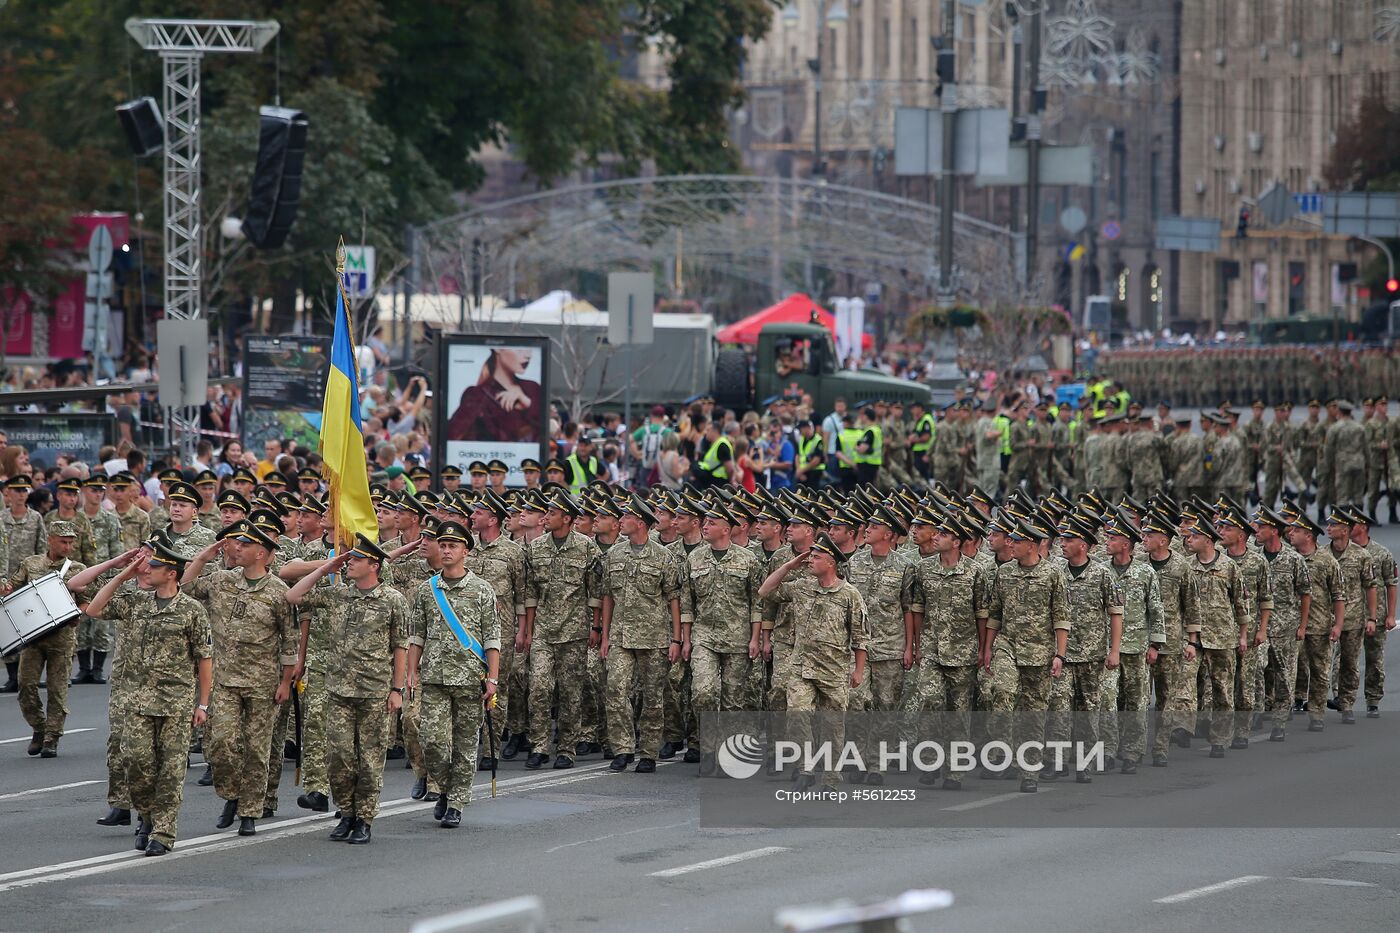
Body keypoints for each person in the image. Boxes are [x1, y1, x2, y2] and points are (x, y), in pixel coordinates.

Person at [83, 541, 212, 856]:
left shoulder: (192, 610)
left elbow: (205, 658)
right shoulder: (136, 603)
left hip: (176, 704)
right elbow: (95, 608)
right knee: (137, 764)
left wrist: (203, 704)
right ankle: (146, 815)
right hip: (139, 702)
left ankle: (163, 833)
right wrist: (124, 572)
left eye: (155, 567)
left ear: (171, 573)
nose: (148, 570)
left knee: (170, 771)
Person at [285, 533, 410, 844]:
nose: (349, 563)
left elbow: (399, 648)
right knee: (340, 757)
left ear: (374, 565)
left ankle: (364, 818)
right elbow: (294, 596)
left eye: (356, 559)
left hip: (375, 691)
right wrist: (328, 566)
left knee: (369, 760)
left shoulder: (393, 600)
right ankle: (346, 812)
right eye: (349, 558)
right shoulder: (339, 594)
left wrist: (397, 689)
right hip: (338, 690)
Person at [182, 522, 297, 836]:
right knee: (221, 744)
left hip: (263, 683)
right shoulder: (221, 580)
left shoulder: (278, 592)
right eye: (237, 544)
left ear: (260, 553)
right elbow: (186, 586)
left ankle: (249, 812)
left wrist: (286, 682)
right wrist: (203, 557)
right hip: (224, 680)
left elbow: (290, 640)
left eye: (244, 545)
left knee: (257, 750)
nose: (237, 549)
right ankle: (232, 794)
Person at [407, 521, 500, 828]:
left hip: (470, 677)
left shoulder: (483, 590)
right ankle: (444, 787)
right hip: (433, 676)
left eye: (453, 546)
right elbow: (417, 635)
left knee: (464, 745)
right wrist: (411, 673)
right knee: (432, 741)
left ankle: (456, 801)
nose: (446, 551)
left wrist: (493, 679)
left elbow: (492, 639)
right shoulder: (426, 590)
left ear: (466, 552)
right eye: (443, 545)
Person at [983, 519, 1068, 793]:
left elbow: (1061, 618)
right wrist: (987, 649)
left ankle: (1029, 771)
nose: (1011, 545)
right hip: (1007, 646)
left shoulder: (1053, 575)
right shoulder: (1004, 573)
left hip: (1040, 653)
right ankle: (1002, 751)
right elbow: (994, 615)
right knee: (1002, 691)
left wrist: (1060, 655)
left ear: (1031, 545)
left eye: (1016, 542)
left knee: (1033, 714)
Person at [599, 494, 683, 773]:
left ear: (641, 523)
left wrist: (676, 639)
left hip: (655, 637)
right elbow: (608, 596)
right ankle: (622, 748)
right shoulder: (615, 554)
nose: (621, 521)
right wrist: (605, 635)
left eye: (626, 518)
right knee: (616, 689)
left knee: (652, 696)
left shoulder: (663, 556)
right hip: (621, 635)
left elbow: (673, 598)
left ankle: (648, 751)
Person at [522, 489, 602, 769]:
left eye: (552, 514)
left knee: (571, 692)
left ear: (567, 518)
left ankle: (567, 748)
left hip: (575, 631)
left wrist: (595, 627)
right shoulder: (537, 548)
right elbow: (530, 591)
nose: (546, 518)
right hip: (544, 630)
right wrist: (529, 630)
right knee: (539, 687)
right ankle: (540, 745)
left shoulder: (586, 547)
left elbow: (595, 590)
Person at [11, 522, 87, 757]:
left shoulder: (76, 569)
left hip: (62, 638)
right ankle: (38, 727)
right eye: (63, 541)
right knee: (26, 685)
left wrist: (78, 614)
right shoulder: (31, 564)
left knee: (57, 689)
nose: (68, 546)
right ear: (50, 540)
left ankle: (52, 738)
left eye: (71, 542)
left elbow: (87, 601)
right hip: (33, 635)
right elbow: (13, 588)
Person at [445, 347, 542, 443]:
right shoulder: (476, 394)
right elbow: (452, 435)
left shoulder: (532, 388)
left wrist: (527, 402)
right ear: (498, 349)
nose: (528, 355)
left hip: (526, 457)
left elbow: (545, 430)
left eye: (529, 350)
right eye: (519, 349)